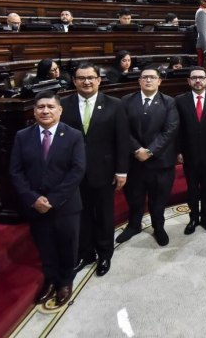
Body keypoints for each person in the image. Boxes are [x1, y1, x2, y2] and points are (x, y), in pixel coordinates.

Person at [9, 91, 86, 307]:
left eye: (50, 107)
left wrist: (52, 199)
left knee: (67, 245)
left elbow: (77, 170)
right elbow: (15, 172)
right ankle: (50, 279)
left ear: (60, 110)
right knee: (45, 245)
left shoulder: (73, 135)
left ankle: (65, 281)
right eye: (41, 107)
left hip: (65, 204)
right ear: (34, 111)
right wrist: (33, 199)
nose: (45, 111)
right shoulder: (22, 136)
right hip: (35, 205)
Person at [60, 62, 129, 278]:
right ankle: (85, 253)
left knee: (105, 215)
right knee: (81, 215)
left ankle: (105, 253)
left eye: (91, 77)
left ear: (99, 80)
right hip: (73, 174)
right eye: (81, 78)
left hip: (104, 171)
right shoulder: (63, 104)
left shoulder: (114, 104)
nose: (86, 82)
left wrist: (122, 171)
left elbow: (122, 140)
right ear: (74, 81)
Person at [118, 67, 179, 247]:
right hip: (134, 161)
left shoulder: (169, 102)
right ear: (139, 81)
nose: (148, 80)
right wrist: (137, 149)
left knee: (158, 199)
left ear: (159, 81)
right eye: (145, 77)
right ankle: (134, 225)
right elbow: (122, 129)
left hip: (160, 162)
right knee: (134, 197)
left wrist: (150, 151)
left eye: (153, 77)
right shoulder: (126, 101)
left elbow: (170, 130)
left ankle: (158, 227)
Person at [175, 67, 206, 235]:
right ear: (189, 81)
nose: (198, 80)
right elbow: (177, 129)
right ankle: (193, 218)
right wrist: (178, 151)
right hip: (188, 153)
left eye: (201, 78)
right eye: (194, 78)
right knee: (192, 188)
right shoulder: (180, 100)